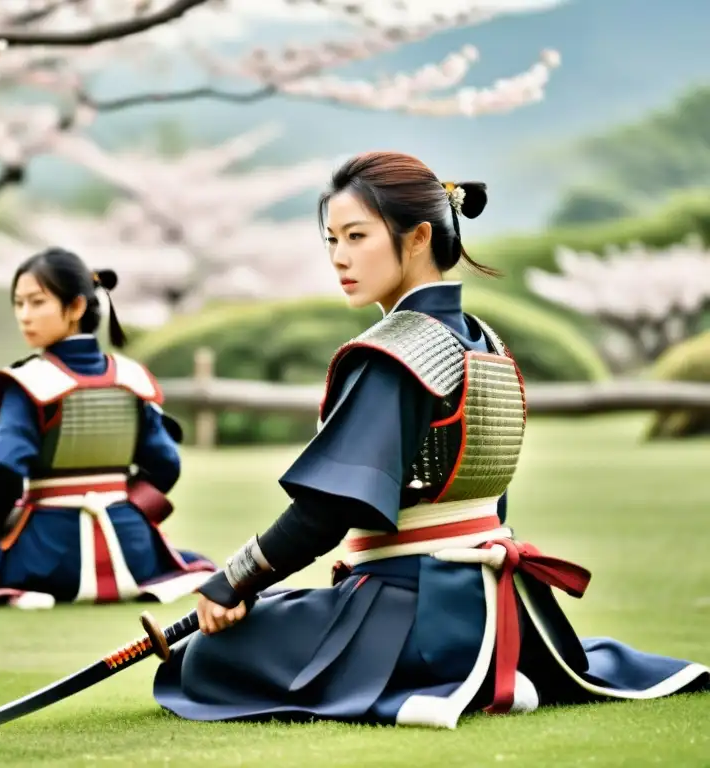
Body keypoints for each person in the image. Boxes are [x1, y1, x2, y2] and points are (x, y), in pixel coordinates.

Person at [152, 152, 708, 727]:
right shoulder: (485, 341)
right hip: (501, 602)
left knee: (207, 658)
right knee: (268, 612)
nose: (339, 257)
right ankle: (496, 668)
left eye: (357, 236)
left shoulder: (394, 353)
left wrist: (232, 581)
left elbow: (326, 510)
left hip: (410, 610)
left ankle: (439, 686)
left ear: (417, 237)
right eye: (332, 239)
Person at [0, 247, 215, 609]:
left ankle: (23, 591)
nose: (24, 316)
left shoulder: (28, 383)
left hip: (46, 556)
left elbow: (4, 471)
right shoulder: (132, 378)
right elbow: (166, 466)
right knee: (188, 557)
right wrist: (129, 509)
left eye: (37, 303)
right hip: (133, 552)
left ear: (77, 307)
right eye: (19, 304)